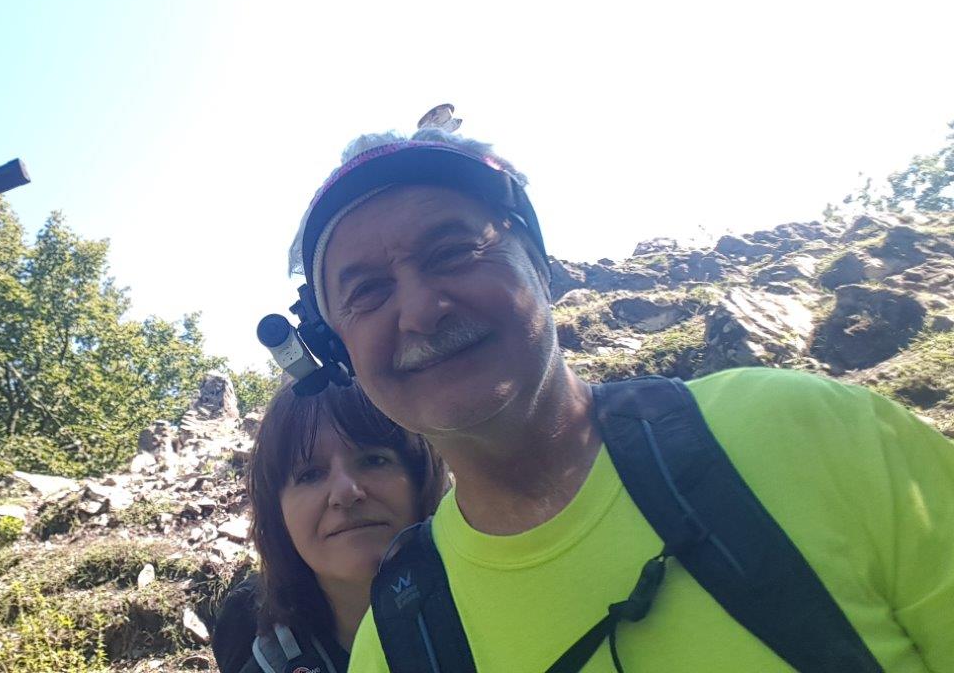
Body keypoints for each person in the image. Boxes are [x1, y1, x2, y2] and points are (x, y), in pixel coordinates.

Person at [267, 120, 954, 672]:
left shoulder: (807, 432)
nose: (419, 310)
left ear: (539, 266)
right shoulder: (396, 643)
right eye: (367, 292)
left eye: (452, 251)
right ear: (338, 353)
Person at [211, 380, 447, 673]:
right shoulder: (251, 639)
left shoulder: (501, 613)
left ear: (421, 482)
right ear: (278, 515)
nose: (345, 492)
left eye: (374, 460)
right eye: (310, 475)